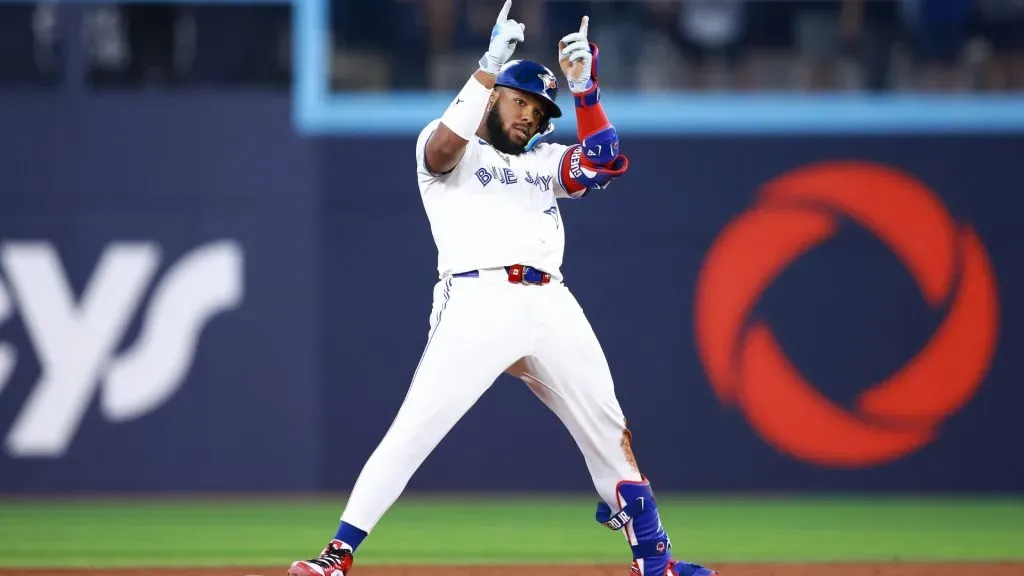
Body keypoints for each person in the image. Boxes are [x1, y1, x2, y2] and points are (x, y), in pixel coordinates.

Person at [286, 2, 718, 575]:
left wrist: (585, 91)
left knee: (609, 431)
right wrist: (488, 66)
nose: (531, 118)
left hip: (550, 302)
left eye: (541, 112)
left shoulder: (543, 160)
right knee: (414, 431)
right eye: (521, 102)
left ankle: (655, 563)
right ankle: (334, 558)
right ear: (494, 97)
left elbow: (605, 162)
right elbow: (442, 149)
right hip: (477, 300)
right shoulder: (450, 151)